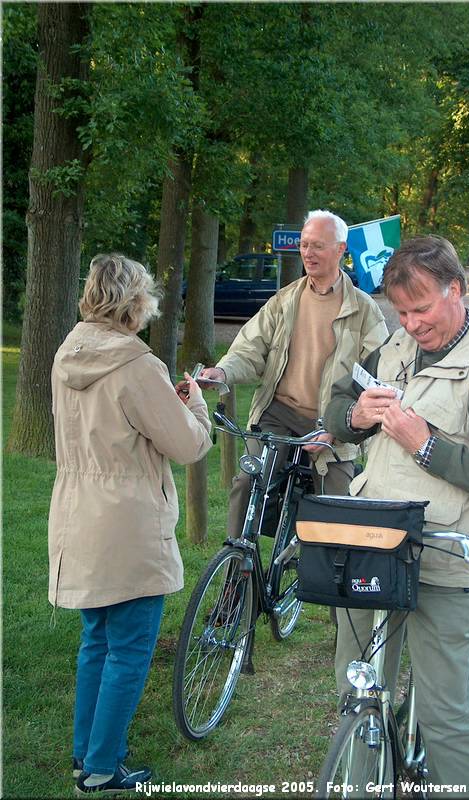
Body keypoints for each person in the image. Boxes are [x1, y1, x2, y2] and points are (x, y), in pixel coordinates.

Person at [324, 235, 469, 799]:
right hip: (373, 545)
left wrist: (427, 446)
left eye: (422, 309)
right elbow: (336, 411)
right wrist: (355, 414)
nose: (412, 323)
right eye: (402, 311)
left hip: (443, 560)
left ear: (456, 291)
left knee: (445, 719)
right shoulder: (393, 347)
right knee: (359, 693)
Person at [48, 253, 212, 795]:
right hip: (128, 524)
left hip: (79, 516)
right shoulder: (137, 366)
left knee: (97, 639)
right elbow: (187, 445)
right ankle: (101, 767)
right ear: (133, 301)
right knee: (128, 648)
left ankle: (86, 755)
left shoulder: (67, 352)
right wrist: (198, 408)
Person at [196, 209, 389, 540]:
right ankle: (237, 564)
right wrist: (222, 372)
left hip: (331, 420)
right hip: (279, 414)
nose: (308, 253)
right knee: (247, 481)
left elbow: (377, 377)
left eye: (317, 246)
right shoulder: (285, 300)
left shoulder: (363, 309)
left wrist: (339, 429)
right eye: (304, 245)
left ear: (341, 249)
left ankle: (324, 578)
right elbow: (249, 350)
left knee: (337, 505)